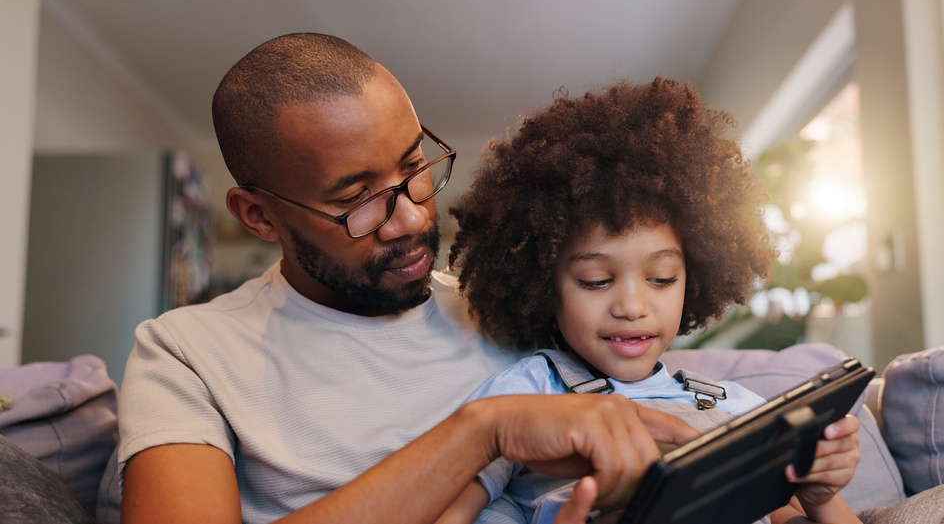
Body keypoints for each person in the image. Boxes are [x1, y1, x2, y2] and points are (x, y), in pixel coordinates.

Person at [116, 33, 700, 524]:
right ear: (259, 216)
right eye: (357, 199)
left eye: (415, 165)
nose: (413, 217)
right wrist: (485, 431)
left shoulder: (514, 305)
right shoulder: (185, 352)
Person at [440, 78, 862, 524]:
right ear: (544, 286)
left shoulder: (733, 404)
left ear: (694, 278)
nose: (631, 306)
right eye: (596, 280)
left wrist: (820, 497)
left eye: (661, 279)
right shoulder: (527, 393)